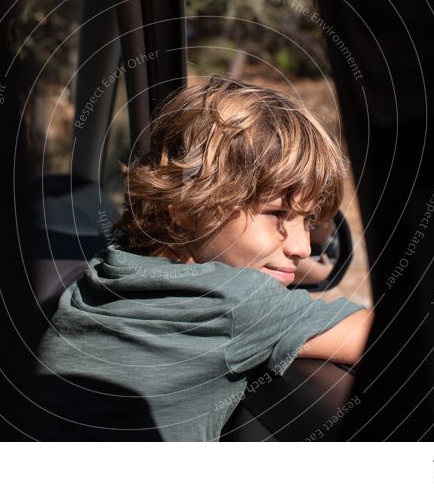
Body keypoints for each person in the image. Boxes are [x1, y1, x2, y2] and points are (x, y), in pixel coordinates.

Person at [35, 76, 373, 441]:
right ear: (185, 209)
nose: (303, 248)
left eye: (309, 222)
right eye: (276, 214)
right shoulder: (235, 301)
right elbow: (393, 336)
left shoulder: (107, 270)